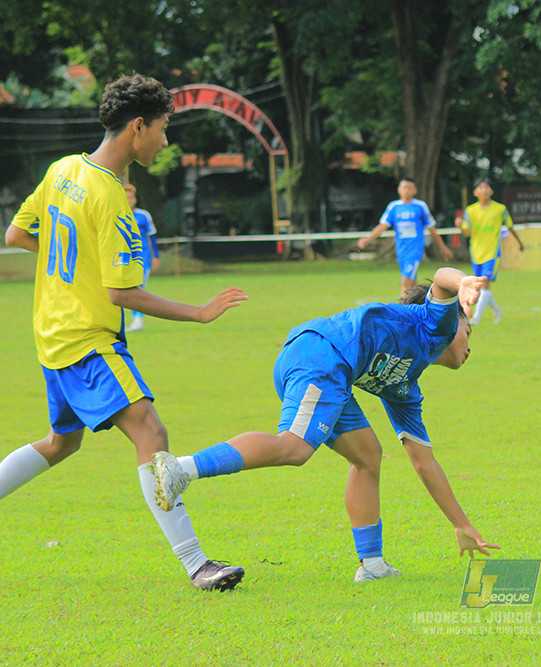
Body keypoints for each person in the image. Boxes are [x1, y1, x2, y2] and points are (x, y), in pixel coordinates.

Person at [2, 74, 249, 591]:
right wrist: (199, 313)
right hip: (87, 337)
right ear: (138, 127)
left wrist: (74, 264)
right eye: (162, 128)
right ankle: (197, 564)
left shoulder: (63, 170)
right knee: (151, 434)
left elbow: (18, 233)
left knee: (61, 442)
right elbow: (124, 294)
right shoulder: (113, 199)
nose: (165, 140)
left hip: (51, 332)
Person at [150, 266, 500, 583]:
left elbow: (424, 462)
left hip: (330, 368)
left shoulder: (404, 388)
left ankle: (372, 564)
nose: (470, 346)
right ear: (452, 319)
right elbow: (441, 277)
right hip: (322, 355)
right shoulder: (434, 326)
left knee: (367, 456)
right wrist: (464, 282)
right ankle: (181, 468)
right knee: (294, 448)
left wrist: (461, 525)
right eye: (468, 332)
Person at [358, 178, 454, 298]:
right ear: (399, 189)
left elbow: (432, 229)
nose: (406, 190)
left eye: (409, 188)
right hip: (401, 249)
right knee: (413, 284)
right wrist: (368, 239)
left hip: (415, 249)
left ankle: (402, 308)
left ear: (415, 190)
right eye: (404, 187)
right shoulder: (394, 207)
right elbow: (383, 226)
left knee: (405, 284)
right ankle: (420, 304)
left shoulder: (420, 206)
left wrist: (442, 247)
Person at [460, 178, 524, 325]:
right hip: (476, 253)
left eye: (487, 187)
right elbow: (466, 233)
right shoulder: (470, 210)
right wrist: (460, 226)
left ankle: (476, 318)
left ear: (492, 191)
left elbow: (510, 226)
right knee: (480, 286)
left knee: (485, 284)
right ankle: (498, 310)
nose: (484, 190)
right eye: (481, 188)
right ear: (475, 192)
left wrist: (520, 243)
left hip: (492, 253)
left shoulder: (500, 209)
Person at [123, 184, 160, 332]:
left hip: (143, 258)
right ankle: (137, 320)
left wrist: (156, 256)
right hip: (125, 259)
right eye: (126, 198)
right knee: (128, 289)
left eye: (132, 197)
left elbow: (152, 236)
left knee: (137, 288)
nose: (130, 200)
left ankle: (138, 320)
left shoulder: (144, 215)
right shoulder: (118, 215)